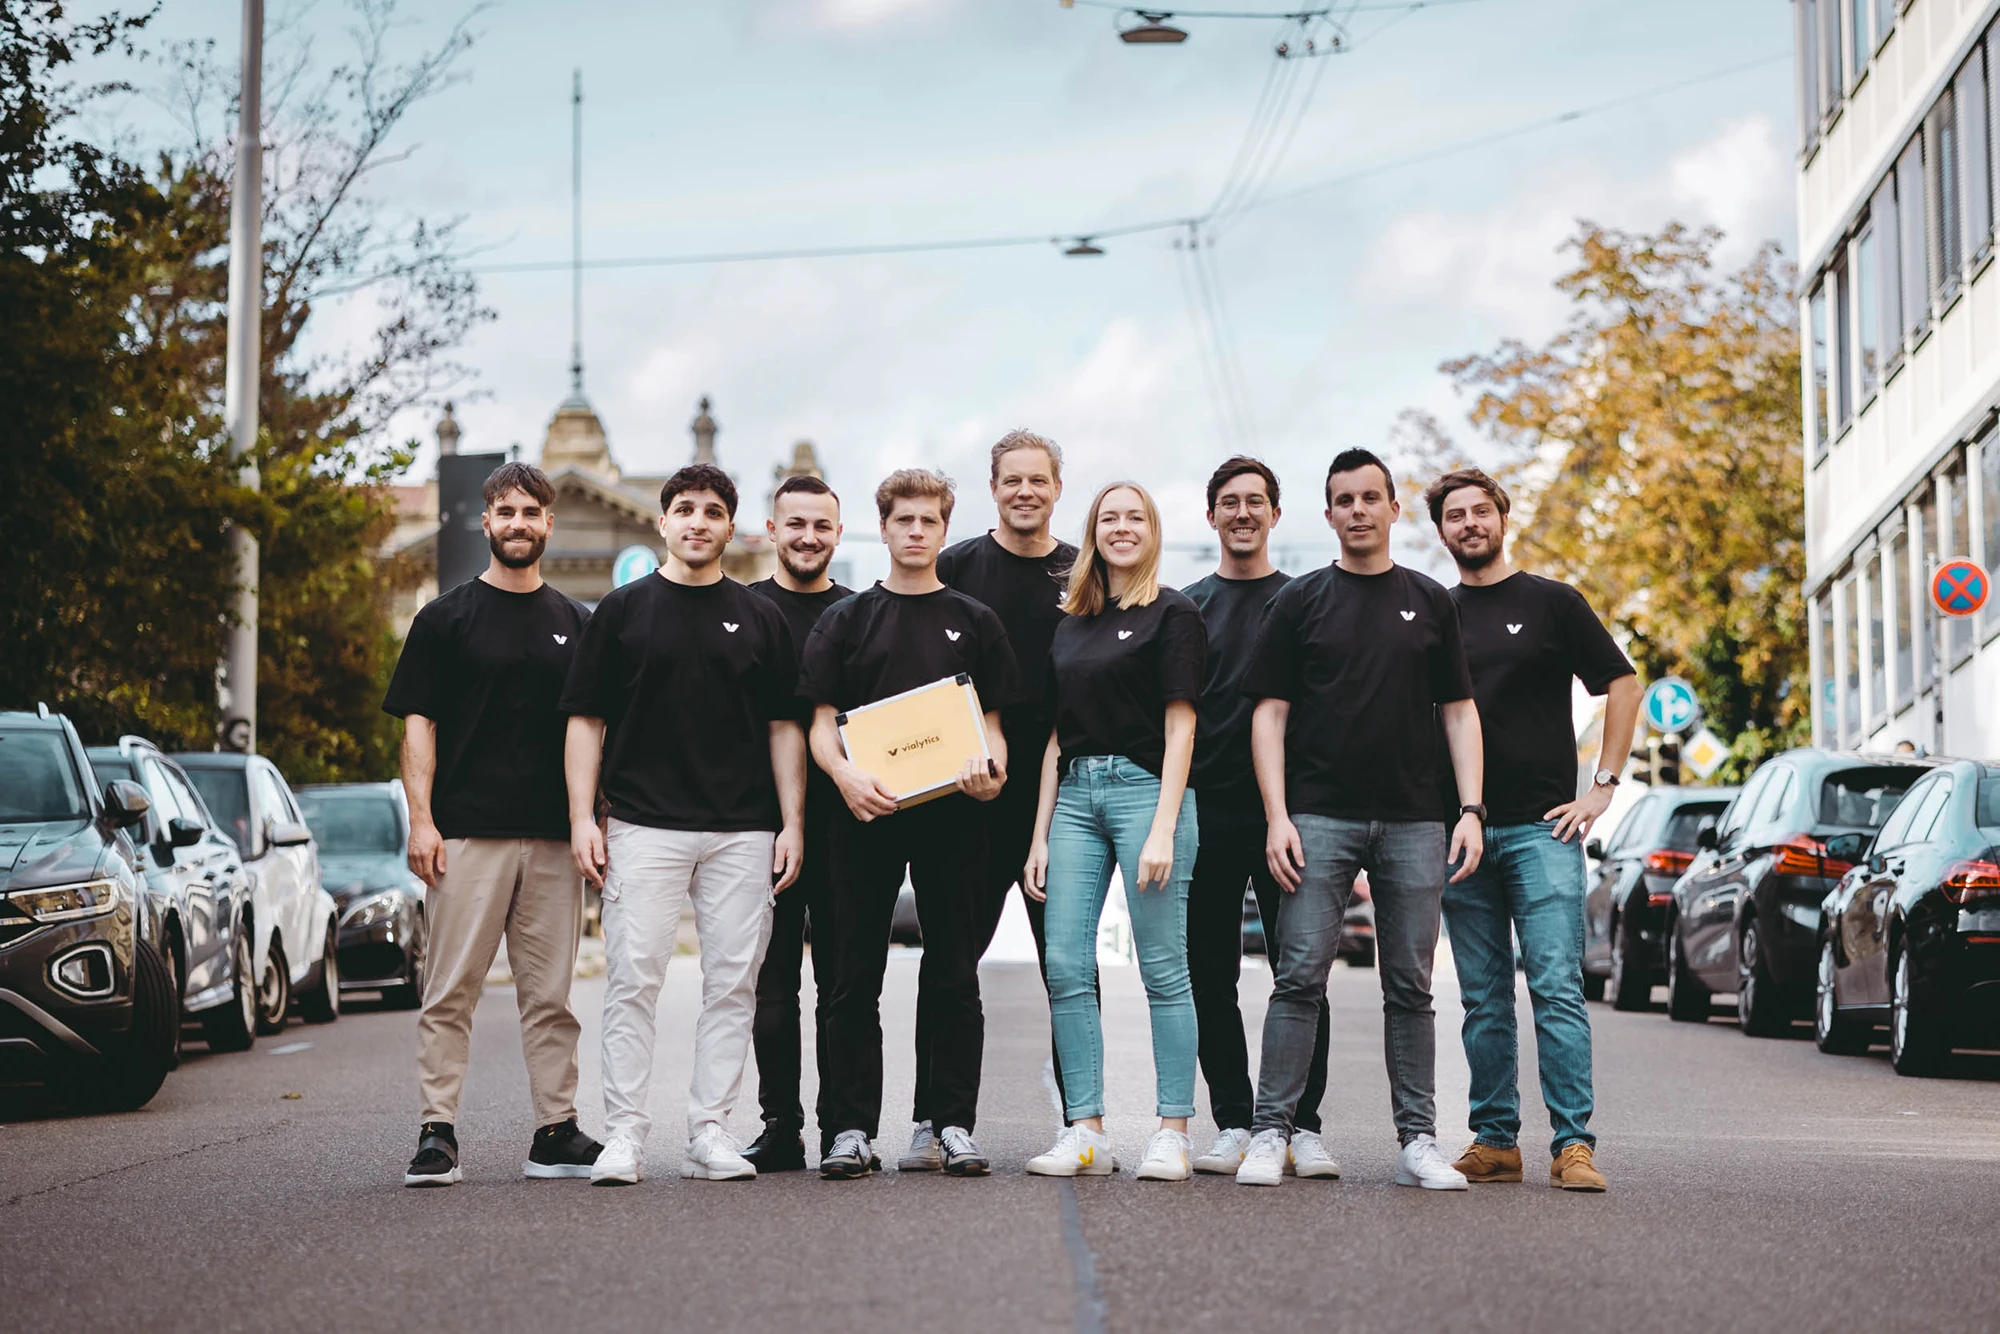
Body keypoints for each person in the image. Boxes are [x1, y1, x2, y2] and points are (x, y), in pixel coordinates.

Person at [1238, 447, 1486, 1190]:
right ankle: (1269, 1132)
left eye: (1369, 498)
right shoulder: (1301, 600)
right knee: (1298, 978)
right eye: (1343, 500)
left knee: (1410, 984)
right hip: (1317, 816)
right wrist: (1277, 816)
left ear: (1392, 507)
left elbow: (1461, 712)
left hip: (1416, 820)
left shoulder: (1430, 600)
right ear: (1328, 515)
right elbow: (1268, 715)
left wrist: (1469, 808)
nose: (1357, 510)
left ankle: (1418, 1141)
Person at [559, 462, 807, 1186]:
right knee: (633, 981)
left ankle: (709, 1131)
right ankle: (625, 1137)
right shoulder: (622, 611)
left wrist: (792, 821)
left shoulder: (760, 617)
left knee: (733, 984)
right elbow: (585, 721)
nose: (698, 521)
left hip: (744, 829)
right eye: (685, 510)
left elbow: (784, 728)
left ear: (731, 527)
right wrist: (583, 817)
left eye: (712, 511)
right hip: (643, 825)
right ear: (662, 522)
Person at [383, 461, 600, 1187]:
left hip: (550, 840)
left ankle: (556, 1133)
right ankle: (437, 1134)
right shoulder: (445, 619)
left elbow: (592, 733)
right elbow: (419, 728)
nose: (518, 524)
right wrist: (422, 823)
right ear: (487, 522)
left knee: (552, 1000)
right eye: (505, 512)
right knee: (450, 993)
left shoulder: (578, 624)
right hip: (465, 836)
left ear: (548, 524)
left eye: (531, 514)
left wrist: (589, 822)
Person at [800, 469, 1020, 1179]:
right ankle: (849, 1131)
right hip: (862, 815)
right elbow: (818, 727)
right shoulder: (846, 620)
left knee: (955, 971)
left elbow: (991, 729)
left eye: (929, 521)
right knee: (850, 976)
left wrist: (991, 775)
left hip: (954, 818)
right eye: (904, 521)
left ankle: (952, 1124)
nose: (917, 532)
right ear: (885, 528)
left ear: (943, 530)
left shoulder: (976, 622)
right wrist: (843, 776)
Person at [1426, 467, 1636, 1193]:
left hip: (1543, 831)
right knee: (1482, 996)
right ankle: (1495, 1140)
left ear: (1502, 518)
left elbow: (1623, 683)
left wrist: (1601, 787)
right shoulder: (1436, 612)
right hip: (1463, 835)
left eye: (1480, 511)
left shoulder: (1551, 604)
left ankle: (1573, 1144)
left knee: (1554, 987)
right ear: (1442, 530)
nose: (1469, 523)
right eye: (1455, 515)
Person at [1023, 482, 1207, 1181]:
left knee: (1164, 968)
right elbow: (1052, 737)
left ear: (1152, 530)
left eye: (1135, 518)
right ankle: (1087, 1131)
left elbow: (1181, 723)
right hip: (1074, 798)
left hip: (1144, 794)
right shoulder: (1073, 619)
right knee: (1066, 964)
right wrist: (1039, 835)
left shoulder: (1174, 614)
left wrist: (1163, 824)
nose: (1121, 528)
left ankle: (1172, 1130)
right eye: (1109, 518)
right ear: (1093, 531)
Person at [1179, 458, 1335, 1179]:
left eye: (1255, 502)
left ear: (1276, 514)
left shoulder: (1303, 602)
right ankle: (1235, 1121)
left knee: (1298, 973)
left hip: (1291, 817)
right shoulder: (1185, 607)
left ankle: (1300, 1123)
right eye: (1229, 503)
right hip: (1204, 812)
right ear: (1210, 517)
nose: (1243, 513)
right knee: (1208, 975)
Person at [930, 429, 1080, 1140]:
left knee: (1070, 971)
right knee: (952, 964)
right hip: (968, 796)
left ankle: (1082, 1120)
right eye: (1011, 480)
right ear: (992, 488)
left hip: (1064, 798)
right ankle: (940, 1120)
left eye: (1038, 480)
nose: (1025, 491)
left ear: (1057, 489)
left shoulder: (1085, 574)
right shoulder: (954, 567)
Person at [743, 475, 855, 1171]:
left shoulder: (862, 612)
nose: (809, 536)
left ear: (838, 535)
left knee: (845, 985)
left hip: (851, 826)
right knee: (772, 985)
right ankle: (780, 1126)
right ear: (772, 529)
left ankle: (846, 1126)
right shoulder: (745, 610)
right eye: (796, 524)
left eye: (822, 525)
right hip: (756, 825)